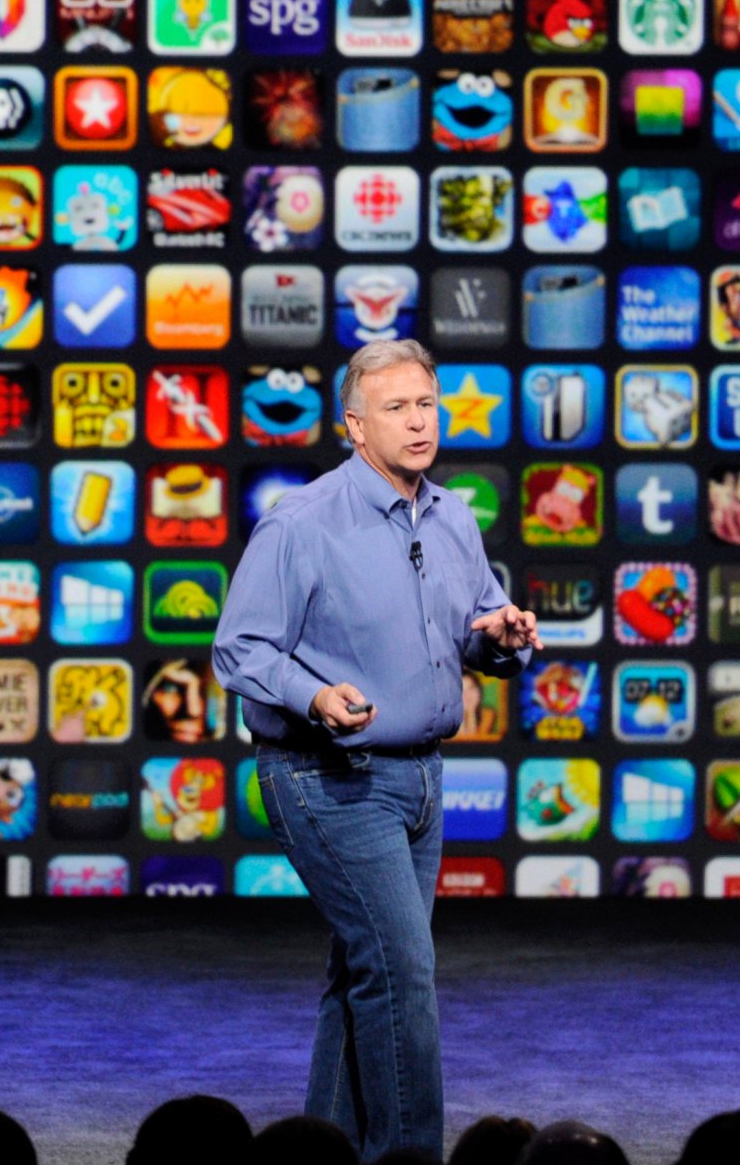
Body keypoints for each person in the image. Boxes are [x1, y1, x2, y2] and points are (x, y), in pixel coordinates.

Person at [214, 339, 539, 1162]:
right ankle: (407, 1160)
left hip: (421, 779)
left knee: (367, 973)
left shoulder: (454, 513)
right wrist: (314, 696)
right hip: (326, 776)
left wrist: (502, 638)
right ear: (356, 426)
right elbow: (240, 649)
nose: (419, 420)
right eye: (396, 407)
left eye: (427, 403)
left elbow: (476, 629)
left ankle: (312, 1153)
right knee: (401, 970)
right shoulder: (302, 521)